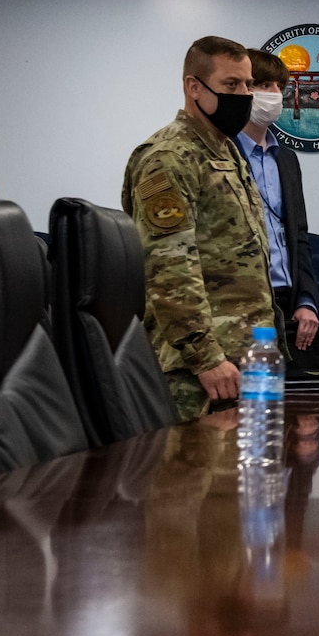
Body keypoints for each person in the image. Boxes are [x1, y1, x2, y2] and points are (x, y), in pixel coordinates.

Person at [124, 36, 277, 421]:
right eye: (231, 85)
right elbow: (168, 270)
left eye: (246, 84)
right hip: (199, 371)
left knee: (243, 478)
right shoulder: (168, 157)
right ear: (195, 87)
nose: (244, 94)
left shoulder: (224, 150)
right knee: (194, 478)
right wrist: (205, 358)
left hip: (243, 359)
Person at [239, 49, 319, 371]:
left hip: (287, 302)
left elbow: (299, 235)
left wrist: (306, 300)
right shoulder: (220, 155)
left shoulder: (285, 159)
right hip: (242, 304)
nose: (273, 94)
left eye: (278, 86)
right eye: (263, 85)